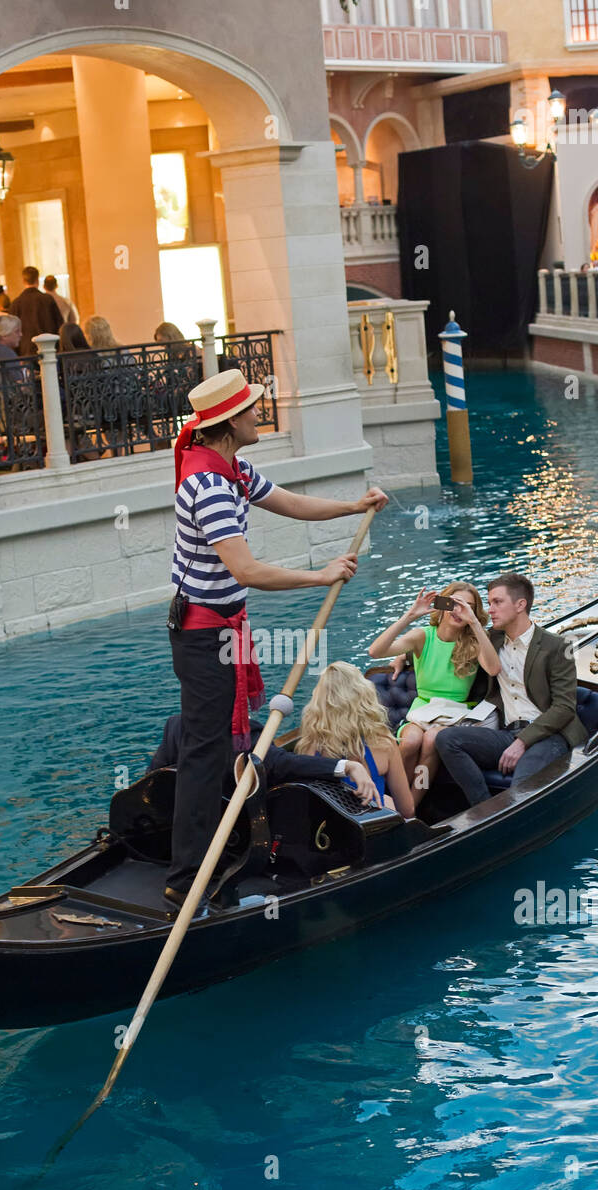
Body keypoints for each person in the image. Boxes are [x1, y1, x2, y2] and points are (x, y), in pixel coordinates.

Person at [164, 367, 388, 909]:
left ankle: (218, 844)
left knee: (218, 739)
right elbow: (245, 570)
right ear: (228, 423)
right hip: (204, 636)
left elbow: (288, 501)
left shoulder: (233, 470)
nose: (260, 414)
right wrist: (321, 576)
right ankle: (188, 874)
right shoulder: (209, 485)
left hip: (222, 629)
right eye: (252, 410)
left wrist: (353, 507)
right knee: (203, 749)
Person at [434, 573, 589, 807]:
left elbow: (564, 707)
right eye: (488, 603)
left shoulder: (557, 646)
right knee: (447, 739)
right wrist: (403, 658)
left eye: (497, 602)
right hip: (507, 733)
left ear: (520, 605)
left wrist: (522, 742)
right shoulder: (491, 639)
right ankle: (483, 809)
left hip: (549, 735)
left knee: (521, 790)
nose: (491, 609)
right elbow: (450, 635)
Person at [368, 581, 499, 808]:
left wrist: (475, 624)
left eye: (467, 607)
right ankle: (395, 801)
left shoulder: (474, 641)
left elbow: (493, 669)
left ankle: (409, 810)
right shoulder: (423, 636)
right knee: (410, 741)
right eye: (453, 604)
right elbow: (375, 651)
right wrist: (410, 615)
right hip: (422, 710)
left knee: (431, 740)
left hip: (454, 713)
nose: (458, 611)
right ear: (442, 605)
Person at [148, 713, 380, 806]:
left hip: (175, 836)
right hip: (226, 841)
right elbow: (280, 764)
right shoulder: (245, 733)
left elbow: (151, 783)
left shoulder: (176, 725)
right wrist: (348, 766)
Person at [295, 662, 414, 818]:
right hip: (374, 829)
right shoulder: (383, 742)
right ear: (364, 696)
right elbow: (407, 810)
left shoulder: (309, 745)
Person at [10, 265, 63, 355]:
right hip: (48, 348)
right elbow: (60, 324)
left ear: (23, 281)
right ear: (37, 280)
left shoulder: (16, 303)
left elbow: (12, 329)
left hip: (26, 351)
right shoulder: (47, 299)